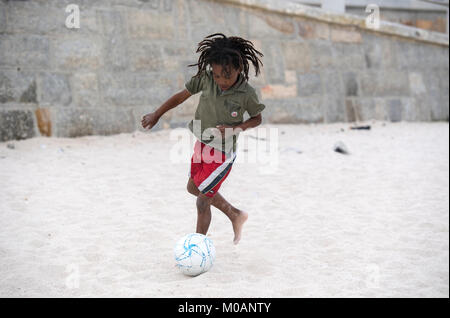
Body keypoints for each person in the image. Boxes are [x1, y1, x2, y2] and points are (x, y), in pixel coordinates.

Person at [141, 33, 265, 244]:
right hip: (202, 144)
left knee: (202, 201)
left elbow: (257, 119)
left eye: (227, 75)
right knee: (192, 187)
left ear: (239, 69)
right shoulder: (206, 79)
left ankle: (197, 246)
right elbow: (180, 96)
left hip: (223, 152)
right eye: (217, 75)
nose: (221, 81)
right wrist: (157, 114)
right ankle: (235, 214)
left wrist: (236, 128)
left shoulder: (247, 93)